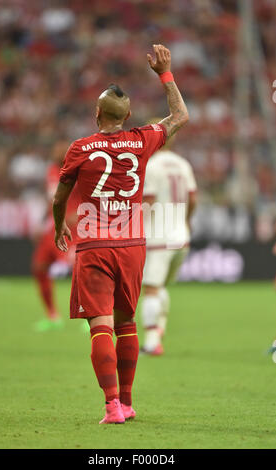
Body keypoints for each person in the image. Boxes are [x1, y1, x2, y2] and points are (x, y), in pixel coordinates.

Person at [52, 44, 189, 424]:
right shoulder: (142, 139)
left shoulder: (80, 148)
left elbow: (60, 195)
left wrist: (59, 220)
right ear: (128, 115)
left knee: (101, 326)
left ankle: (112, 406)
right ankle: (127, 403)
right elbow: (180, 115)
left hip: (94, 244)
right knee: (127, 323)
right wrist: (165, 74)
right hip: (131, 244)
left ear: (96, 114)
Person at [140, 132, 197, 355]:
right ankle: (160, 329)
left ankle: (152, 342)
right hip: (180, 237)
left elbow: (149, 201)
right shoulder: (183, 164)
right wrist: (185, 221)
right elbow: (193, 199)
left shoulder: (152, 165)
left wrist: (135, 227)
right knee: (161, 285)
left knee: (151, 289)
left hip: (158, 237)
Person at [32, 140, 80, 332]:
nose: (56, 151)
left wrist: (81, 213)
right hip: (53, 227)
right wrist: (41, 222)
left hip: (73, 228)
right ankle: (52, 315)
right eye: (55, 148)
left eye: (60, 149)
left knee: (82, 271)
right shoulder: (51, 170)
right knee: (39, 267)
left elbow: (92, 195)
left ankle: (90, 317)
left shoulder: (79, 171)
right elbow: (53, 200)